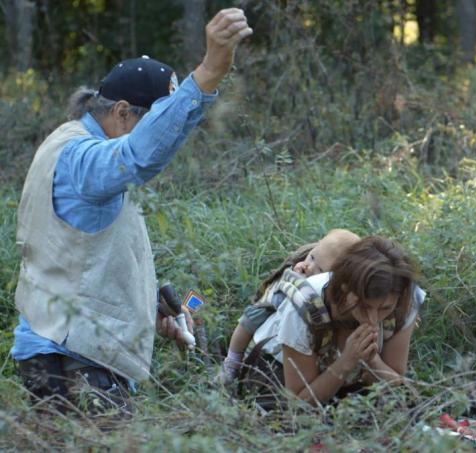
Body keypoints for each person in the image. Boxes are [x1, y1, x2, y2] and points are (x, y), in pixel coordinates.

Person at [10, 8, 252, 411]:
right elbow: (140, 155)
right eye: (155, 120)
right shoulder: (83, 159)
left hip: (71, 356)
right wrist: (210, 69)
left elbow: (85, 254)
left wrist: (145, 304)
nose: (164, 142)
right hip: (69, 364)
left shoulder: (79, 150)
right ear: (122, 112)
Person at [244, 236, 426, 406]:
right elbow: (299, 404)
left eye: (385, 308)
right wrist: (347, 361)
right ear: (345, 289)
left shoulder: (405, 302)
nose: (373, 318)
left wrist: (373, 361)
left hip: (341, 380)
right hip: (274, 368)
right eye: (365, 306)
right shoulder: (305, 308)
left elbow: (393, 386)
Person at [220, 228, 361, 383]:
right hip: (277, 303)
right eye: (312, 257)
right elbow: (295, 287)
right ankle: (232, 362)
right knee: (250, 319)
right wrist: (298, 275)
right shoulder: (303, 268)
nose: (309, 266)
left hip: (302, 351)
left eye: (320, 269)